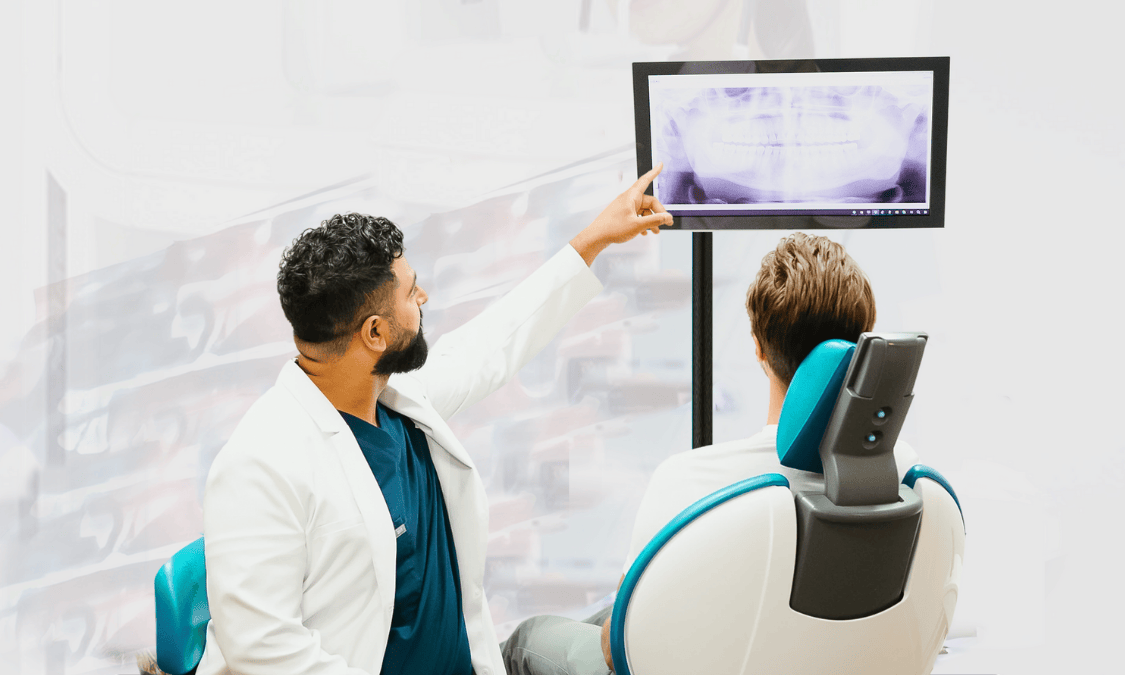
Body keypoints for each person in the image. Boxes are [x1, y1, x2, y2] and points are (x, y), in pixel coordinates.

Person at [195, 166, 674, 675]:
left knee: (649, 622)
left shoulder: (392, 400)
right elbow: (262, 649)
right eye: (411, 292)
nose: (423, 299)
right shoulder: (260, 464)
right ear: (375, 333)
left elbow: (491, 345)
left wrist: (595, 238)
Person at [501, 232, 920, 675]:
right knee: (606, 613)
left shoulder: (691, 481)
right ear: (863, 348)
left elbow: (615, 648)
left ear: (758, 347)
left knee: (527, 639)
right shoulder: (904, 475)